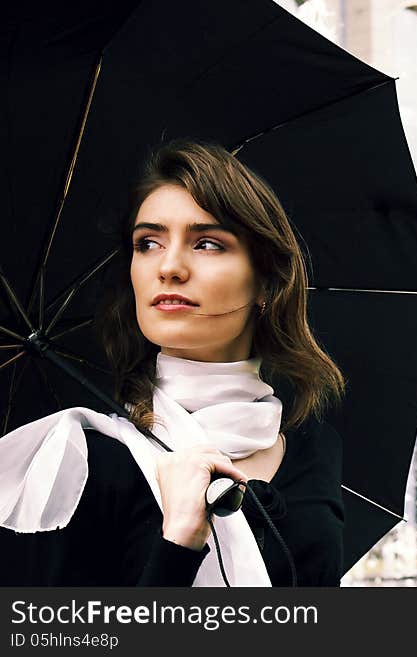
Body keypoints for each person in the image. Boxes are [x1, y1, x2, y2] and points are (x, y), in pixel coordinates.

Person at [0, 140, 346, 587]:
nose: (169, 267)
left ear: (266, 282)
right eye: (147, 243)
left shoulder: (314, 447)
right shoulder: (81, 461)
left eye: (205, 243)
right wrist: (180, 540)